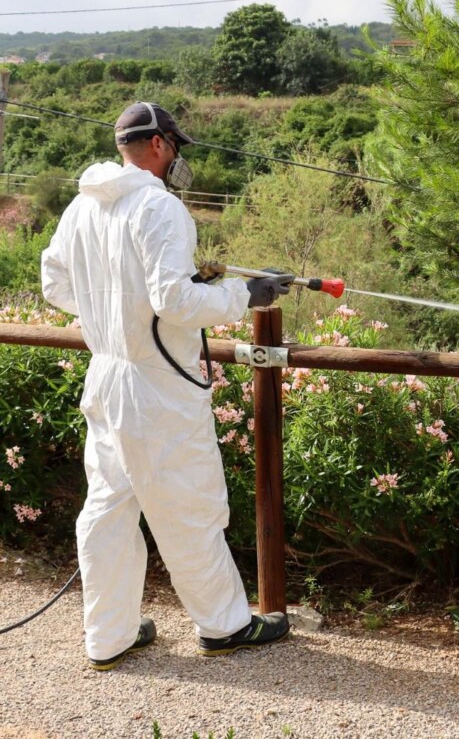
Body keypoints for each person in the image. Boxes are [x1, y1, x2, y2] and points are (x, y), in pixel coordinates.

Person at [41, 102, 295, 670]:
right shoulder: (160, 208)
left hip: (106, 376)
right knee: (189, 505)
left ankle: (109, 637)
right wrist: (245, 295)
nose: (179, 156)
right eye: (176, 145)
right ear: (157, 145)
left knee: (108, 511)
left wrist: (114, 318)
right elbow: (175, 302)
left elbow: (54, 281)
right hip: (155, 388)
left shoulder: (83, 206)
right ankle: (225, 626)